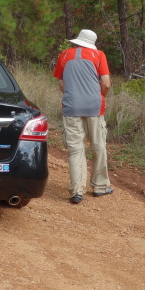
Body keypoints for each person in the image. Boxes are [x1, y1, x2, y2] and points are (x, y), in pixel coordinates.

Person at [53, 29, 112, 204]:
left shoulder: (64, 55)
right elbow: (106, 83)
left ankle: (76, 191)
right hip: (94, 106)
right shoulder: (98, 55)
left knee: (75, 149)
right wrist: (99, 96)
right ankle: (100, 187)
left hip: (71, 107)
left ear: (77, 41)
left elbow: (62, 84)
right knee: (98, 146)